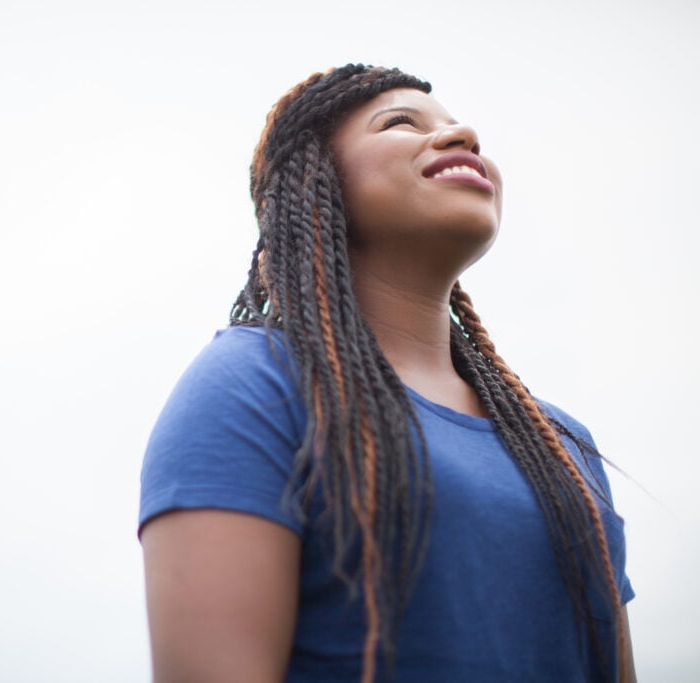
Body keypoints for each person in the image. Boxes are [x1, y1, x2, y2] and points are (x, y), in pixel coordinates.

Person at [138, 64, 635, 683]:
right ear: (319, 186)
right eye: (400, 123)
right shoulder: (254, 384)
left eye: (461, 127)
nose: (466, 136)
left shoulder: (561, 445)